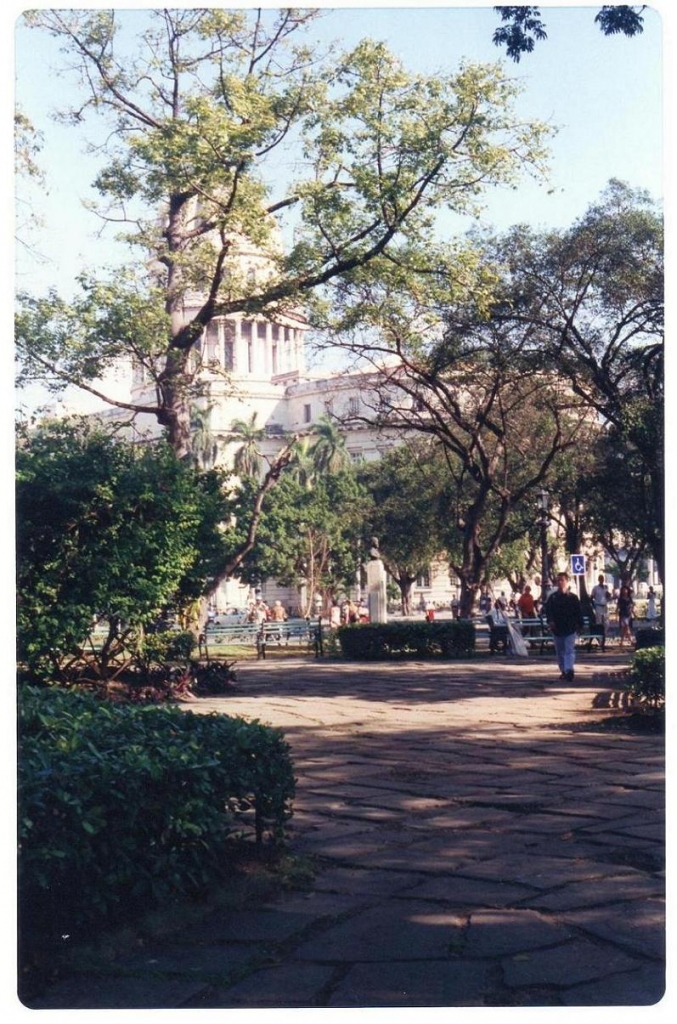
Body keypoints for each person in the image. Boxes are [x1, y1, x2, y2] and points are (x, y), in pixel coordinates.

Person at [544, 571, 584, 681]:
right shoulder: (552, 598)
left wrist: (580, 625)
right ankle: (563, 670)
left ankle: (569, 670)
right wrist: (550, 621)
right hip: (557, 629)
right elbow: (548, 612)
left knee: (569, 650)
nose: (560, 582)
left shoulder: (573, 598)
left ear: (567, 581)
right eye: (558, 580)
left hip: (570, 628)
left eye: (562, 580)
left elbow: (578, 612)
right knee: (560, 651)